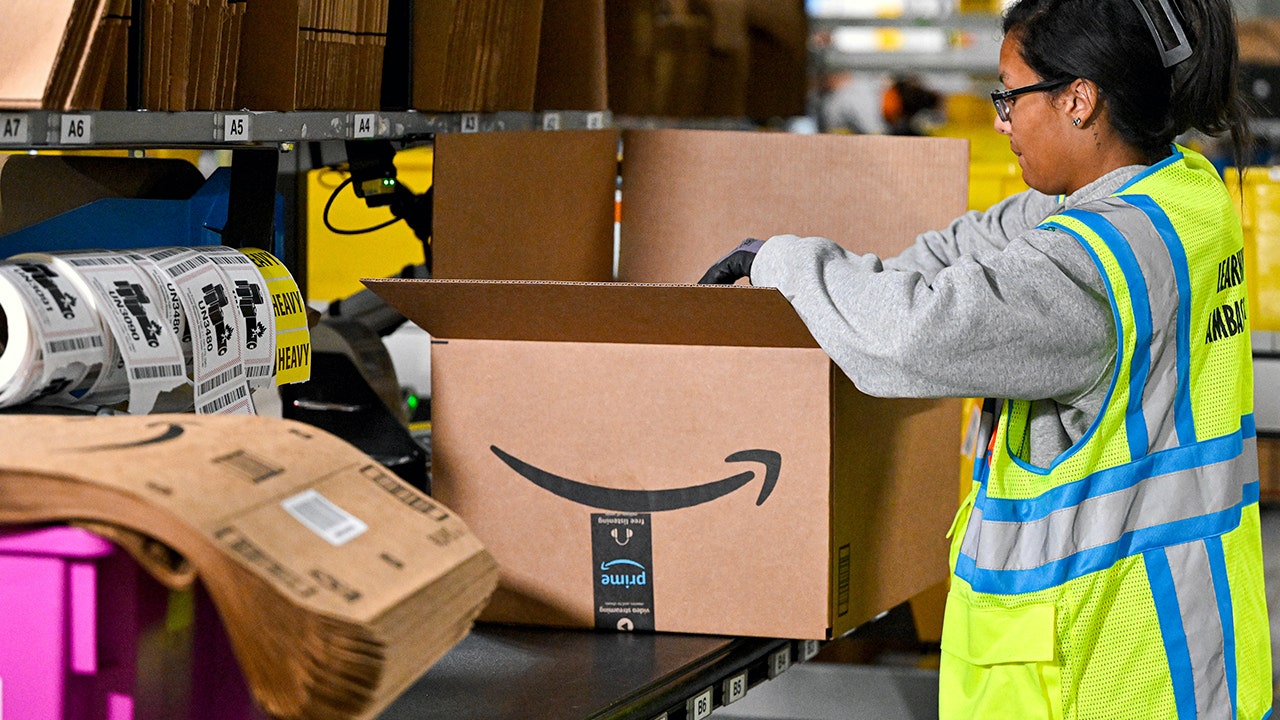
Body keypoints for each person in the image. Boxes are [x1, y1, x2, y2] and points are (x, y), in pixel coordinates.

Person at [700, 0, 1271, 717]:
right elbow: (965, 249)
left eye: (1009, 96)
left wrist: (782, 263)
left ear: (1079, 99)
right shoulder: (1179, 194)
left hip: (1107, 670)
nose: (1000, 120)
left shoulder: (1084, 273)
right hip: (1188, 640)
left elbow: (917, 337)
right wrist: (835, 293)